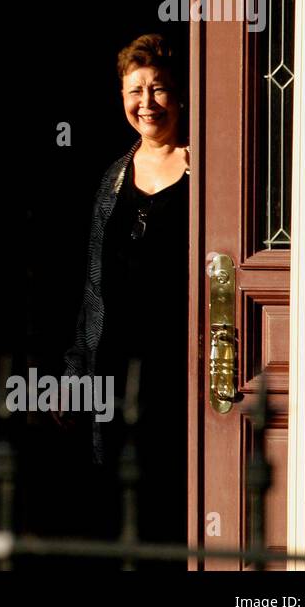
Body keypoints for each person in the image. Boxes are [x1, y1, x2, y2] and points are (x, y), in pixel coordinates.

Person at [62, 33, 189, 560]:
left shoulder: (208, 171)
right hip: (116, 361)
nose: (146, 103)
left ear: (178, 95)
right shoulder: (112, 178)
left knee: (175, 485)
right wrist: (75, 367)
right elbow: (91, 282)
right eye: (134, 91)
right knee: (117, 486)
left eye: (157, 89)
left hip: (182, 363)